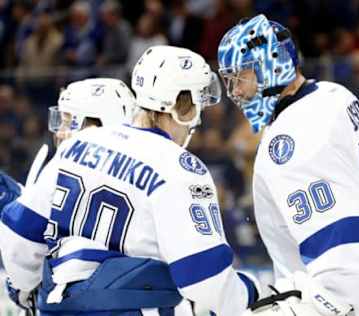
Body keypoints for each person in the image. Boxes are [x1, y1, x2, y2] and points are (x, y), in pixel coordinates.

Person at [0, 45, 258, 315]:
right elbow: (203, 279)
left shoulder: (78, 144)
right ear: (184, 105)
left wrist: (26, 288)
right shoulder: (181, 168)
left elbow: (20, 229)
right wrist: (250, 292)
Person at [217, 14, 359, 315]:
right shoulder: (334, 95)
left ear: (270, 66)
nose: (236, 92)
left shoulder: (290, 140)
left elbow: (355, 248)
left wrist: (308, 309)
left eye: (241, 78)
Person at [0, 77, 137, 310]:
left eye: (69, 122)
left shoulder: (66, 168)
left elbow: (20, 242)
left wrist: (23, 284)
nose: (60, 133)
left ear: (99, 123)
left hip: (78, 304)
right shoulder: (151, 170)